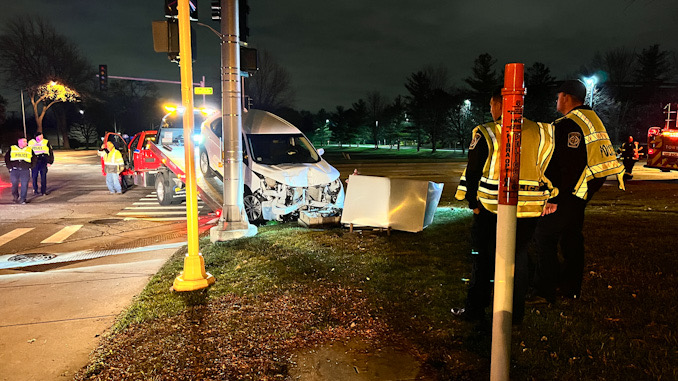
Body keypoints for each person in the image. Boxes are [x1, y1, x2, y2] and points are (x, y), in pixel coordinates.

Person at [453, 89, 556, 324]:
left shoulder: (487, 131)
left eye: (492, 105)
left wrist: (473, 203)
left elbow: (474, 169)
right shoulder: (542, 131)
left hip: (492, 208)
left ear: (500, 105)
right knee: (518, 258)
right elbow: (547, 166)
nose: (490, 110)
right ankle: (513, 314)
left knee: (484, 259)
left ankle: (475, 310)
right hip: (529, 208)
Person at [530, 80, 624, 303]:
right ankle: (570, 288)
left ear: (566, 97)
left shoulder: (569, 124)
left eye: (558, 96)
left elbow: (566, 166)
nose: (556, 100)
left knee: (544, 234)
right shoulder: (591, 119)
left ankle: (545, 290)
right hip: (585, 188)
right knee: (571, 236)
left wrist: (555, 198)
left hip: (571, 191)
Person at [5, 137, 36, 204]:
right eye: (24, 141)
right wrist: (10, 167)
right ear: (19, 142)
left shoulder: (29, 149)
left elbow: (34, 158)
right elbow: (7, 158)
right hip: (14, 170)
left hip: (25, 170)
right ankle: (15, 196)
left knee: (24, 184)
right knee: (14, 184)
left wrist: (31, 166)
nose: (26, 143)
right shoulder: (12, 148)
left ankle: (23, 199)